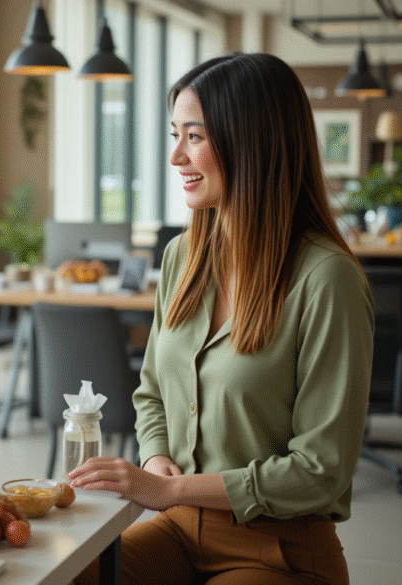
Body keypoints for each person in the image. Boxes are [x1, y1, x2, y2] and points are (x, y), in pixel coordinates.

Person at [68, 53, 374, 584]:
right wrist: (157, 455)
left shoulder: (327, 279)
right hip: (179, 527)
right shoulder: (180, 258)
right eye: (175, 134)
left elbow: (321, 471)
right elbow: (153, 393)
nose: (175, 156)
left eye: (195, 136)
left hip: (279, 547)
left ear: (253, 143)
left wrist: (169, 489)